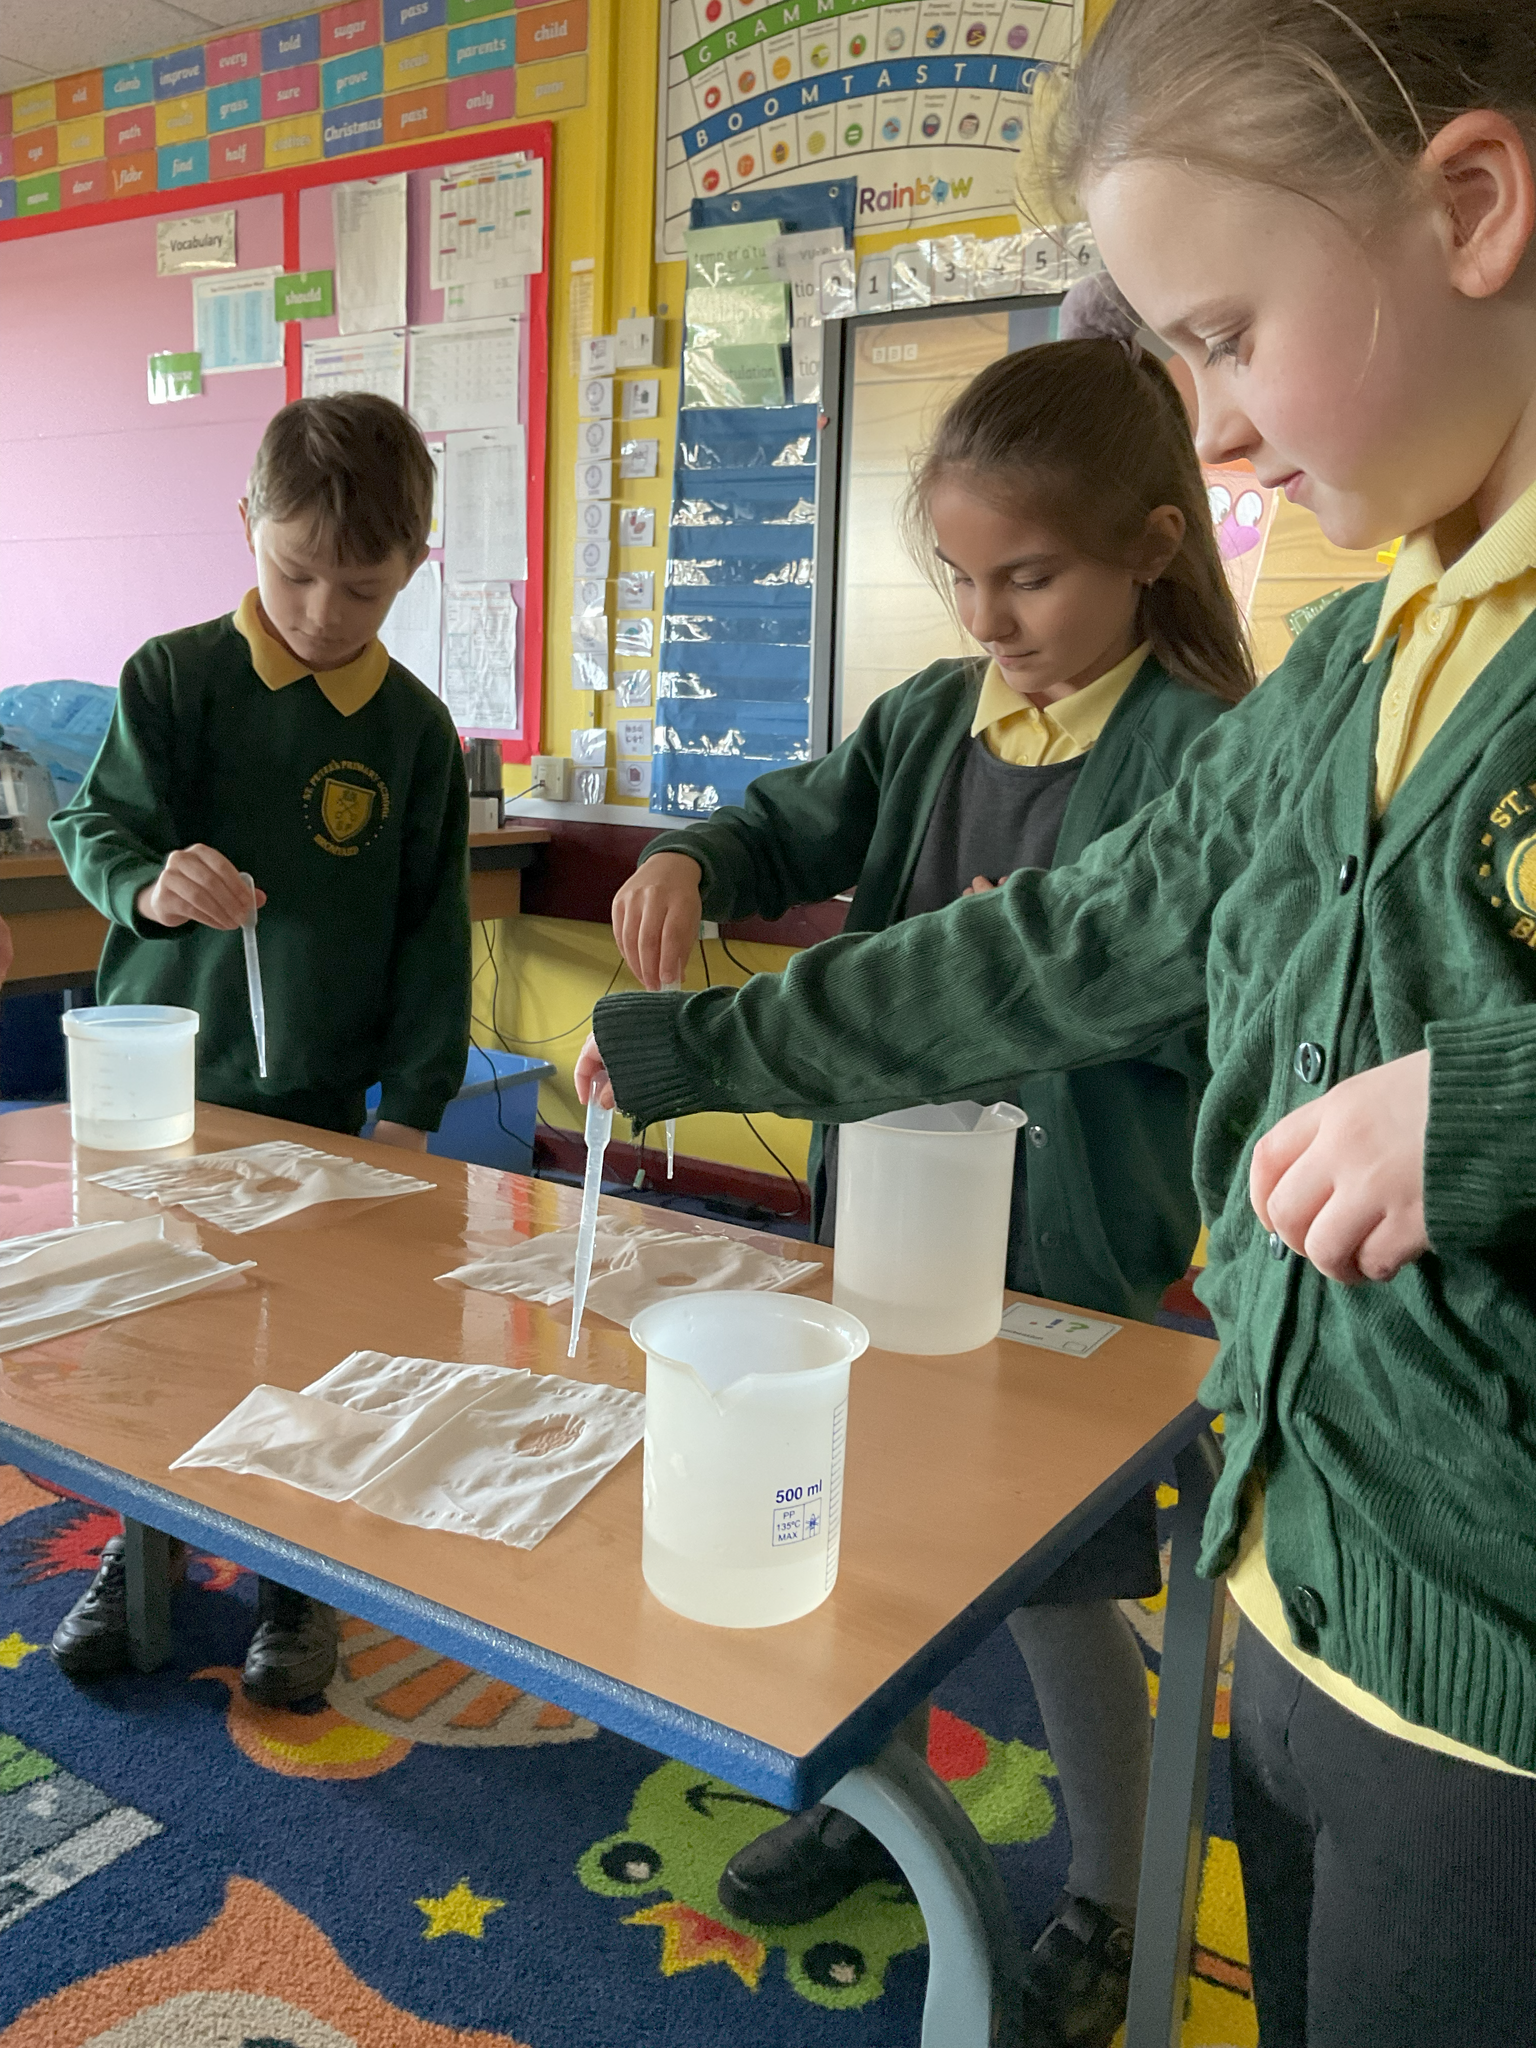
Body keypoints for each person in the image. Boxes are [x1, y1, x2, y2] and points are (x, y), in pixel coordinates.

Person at [580, 3, 1536, 2040]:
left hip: (1495, 1682)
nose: (1218, 434)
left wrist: (1493, 1102)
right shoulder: (1350, 675)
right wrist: (694, 1053)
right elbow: (1048, 949)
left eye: (1229, 337)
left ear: (1472, 208)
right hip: (1299, 1585)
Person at [612, 318, 1251, 2046]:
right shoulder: (927, 720)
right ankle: (868, 1798)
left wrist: (1022, 980)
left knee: (1057, 1593)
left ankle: (1116, 1895)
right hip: (880, 1240)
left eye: (1028, 579)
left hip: (1071, 1262)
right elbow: (781, 823)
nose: (988, 621)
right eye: (962, 579)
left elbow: (1193, 1008)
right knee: (866, 1531)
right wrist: (690, 853)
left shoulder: (1201, 754)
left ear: (1153, 547)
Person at [49, 393, 471, 1706]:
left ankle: (297, 1581)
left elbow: (432, 930)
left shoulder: (413, 732)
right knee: (149, 1331)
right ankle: (143, 1551)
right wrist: (150, 882)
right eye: (294, 573)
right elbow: (96, 827)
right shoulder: (173, 679)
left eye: (363, 590)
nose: (322, 613)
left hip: (317, 1107)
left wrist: (413, 1108)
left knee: (313, 1344)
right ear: (247, 525)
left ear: (416, 564)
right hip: (163, 1096)